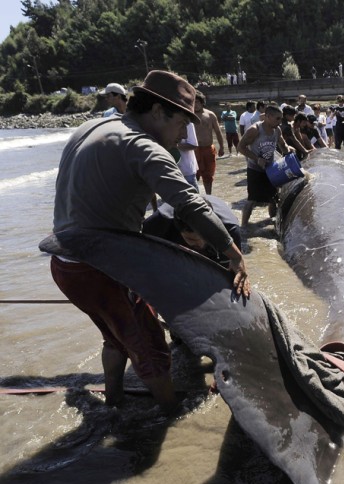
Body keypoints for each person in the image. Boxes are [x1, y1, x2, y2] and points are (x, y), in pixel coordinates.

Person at [50, 70, 249, 412]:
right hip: (102, 268)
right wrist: (233, 255)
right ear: (157, 111)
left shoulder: (94, 128)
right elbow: (190, 202)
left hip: (63, 263)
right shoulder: (143, 147)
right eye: (181, 123)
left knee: (115, 337)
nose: (184, 134)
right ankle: (171, 415)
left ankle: (113, 403)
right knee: (151, 347)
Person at [142, 195, 242, 268]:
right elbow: (147, 260)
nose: (200, 243)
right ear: (178, 230)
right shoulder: (156, 225)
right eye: (191, 239)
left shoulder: (230, 231)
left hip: (217, 213)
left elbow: (232, 270)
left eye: (205, 237)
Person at [238, 104, 293, 225]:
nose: (280, 122)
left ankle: (272, 222)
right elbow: (240, 147)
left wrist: (289, 150)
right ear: (268, 116)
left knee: (274, 198)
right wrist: (257, 159)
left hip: (270, 168)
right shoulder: (255, 129)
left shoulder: (277, 130)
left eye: (281, 118)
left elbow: (283, 145)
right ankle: (244, 227)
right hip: (255, 169)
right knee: (252, 200)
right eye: (277, 118)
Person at [193, 91, 225, 194]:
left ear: (202, 103)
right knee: (193, 175)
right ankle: (194, 198)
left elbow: (218, 132)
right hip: (193, 150)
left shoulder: (210, 115)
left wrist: (222, 147)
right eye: (193, 102)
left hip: (208, 149)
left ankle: (209, 196)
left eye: (197, 102)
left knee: (208, 176)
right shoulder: (189, 115)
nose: (195, 104)